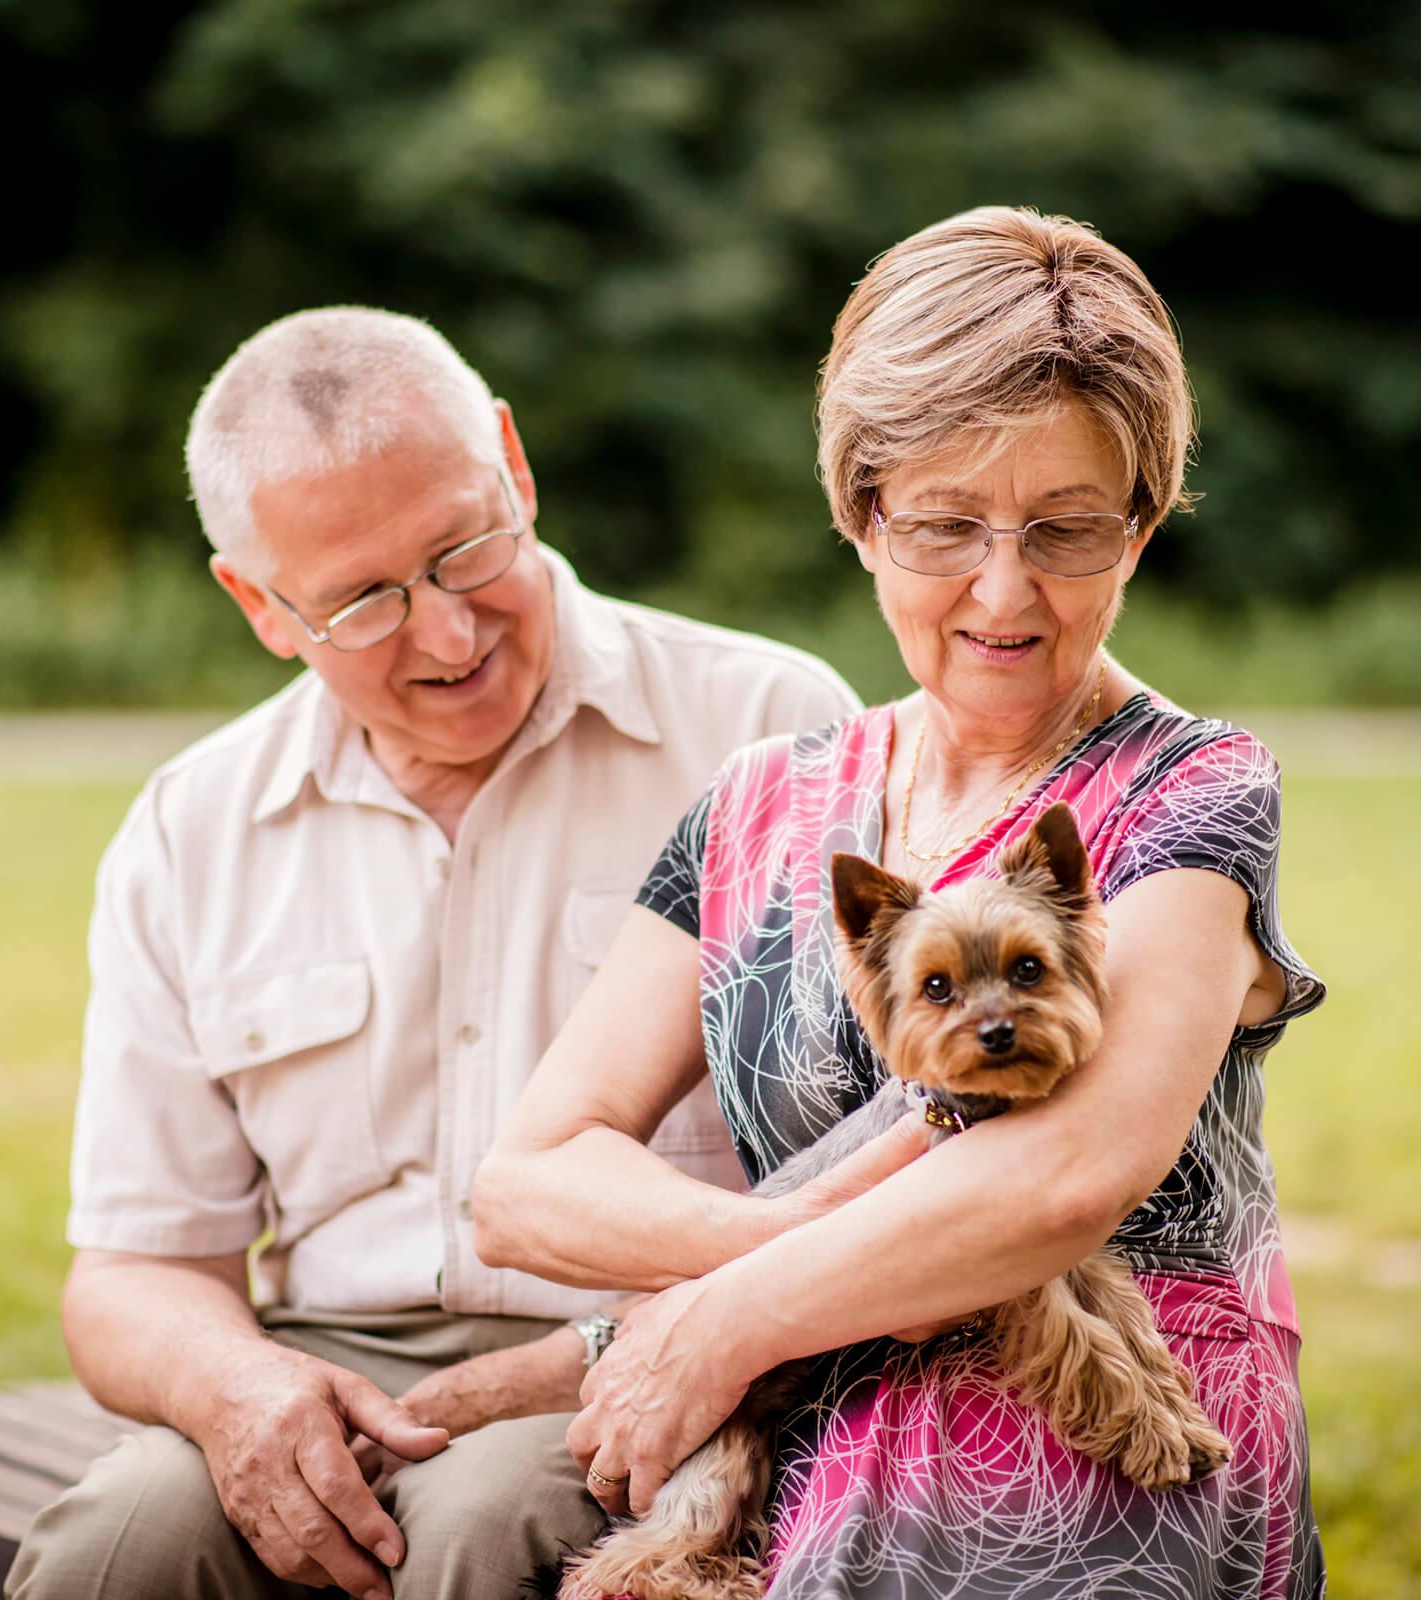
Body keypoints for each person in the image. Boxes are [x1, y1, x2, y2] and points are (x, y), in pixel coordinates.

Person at [474, 206, 1328, 1598]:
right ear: (859, 513)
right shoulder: (754, 806)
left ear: (1145, 523)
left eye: (1068, 529)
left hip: (1106, 1487)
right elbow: (524, 1185)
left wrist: (720, 1323)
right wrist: (772, 1261)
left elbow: (1062, 1181)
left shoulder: (1195, 795)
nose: (1006, 592)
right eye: (944, 526)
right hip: (783, 1487)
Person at [4, 307, 860, 1600]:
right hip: (319, 1359)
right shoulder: (193, 828)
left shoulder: (764, 729)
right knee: (111, 1552)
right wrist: (240, 1393)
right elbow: (133, 1273)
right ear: (261, 605)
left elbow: (882, 1162)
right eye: (361, 602)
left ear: (514, 466)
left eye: (466, 550)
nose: (450, 636)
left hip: (654, 1348)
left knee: (477, 1528)